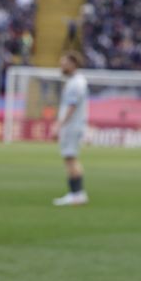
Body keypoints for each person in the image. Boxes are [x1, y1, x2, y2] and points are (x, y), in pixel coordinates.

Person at [51, 50, 89, 206]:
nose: (62, 66)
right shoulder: (77, 81)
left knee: (70, 158)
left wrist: (59, 124)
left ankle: (76, 194)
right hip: (74, 125)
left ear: (73, 64)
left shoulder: (76, 83)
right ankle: (78, 193)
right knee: (71, 158)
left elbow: (72, 106)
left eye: (64, 63)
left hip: (72, 126)